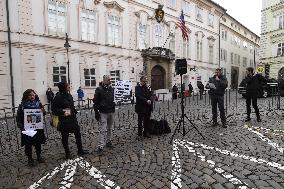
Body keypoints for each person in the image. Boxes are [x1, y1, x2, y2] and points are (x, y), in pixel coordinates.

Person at [52, 82, 88, 159]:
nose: (69, 87)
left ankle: (80, 150)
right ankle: (67, 153)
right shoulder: (58, 97)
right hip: (64, 121)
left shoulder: (69, 95)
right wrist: (63, 112)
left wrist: (74, 111)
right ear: (63, 87)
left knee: (78, 135)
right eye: (67, 86)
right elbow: (54, 109)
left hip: (72, 119)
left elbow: (71, 106)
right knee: (65, 137)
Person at [16, 89, 46, 166]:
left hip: (37, 128)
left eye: (33, 94)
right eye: (30, 95)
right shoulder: (22, 105)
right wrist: (22, 127)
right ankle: (30, 158)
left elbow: (44, 113)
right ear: (26, 96)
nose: (32, 96)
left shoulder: (38, 103)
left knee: (38, 143)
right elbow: (18, 118)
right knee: (28, 144)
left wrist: (43, 111)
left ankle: (39, 156)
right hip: (27, 129)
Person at [93, 75, 115, 156]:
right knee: (103, 130)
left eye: (110, 80)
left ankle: (108, 141)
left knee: (109, 128)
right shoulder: (99, 89)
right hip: (103, 112)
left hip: (111, 111)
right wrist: (96, 112)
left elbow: (115, 98)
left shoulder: (112, 89)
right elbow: (95, 101)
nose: (110, 81)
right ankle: (100, 146)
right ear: (104, 80)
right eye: (109, 80)